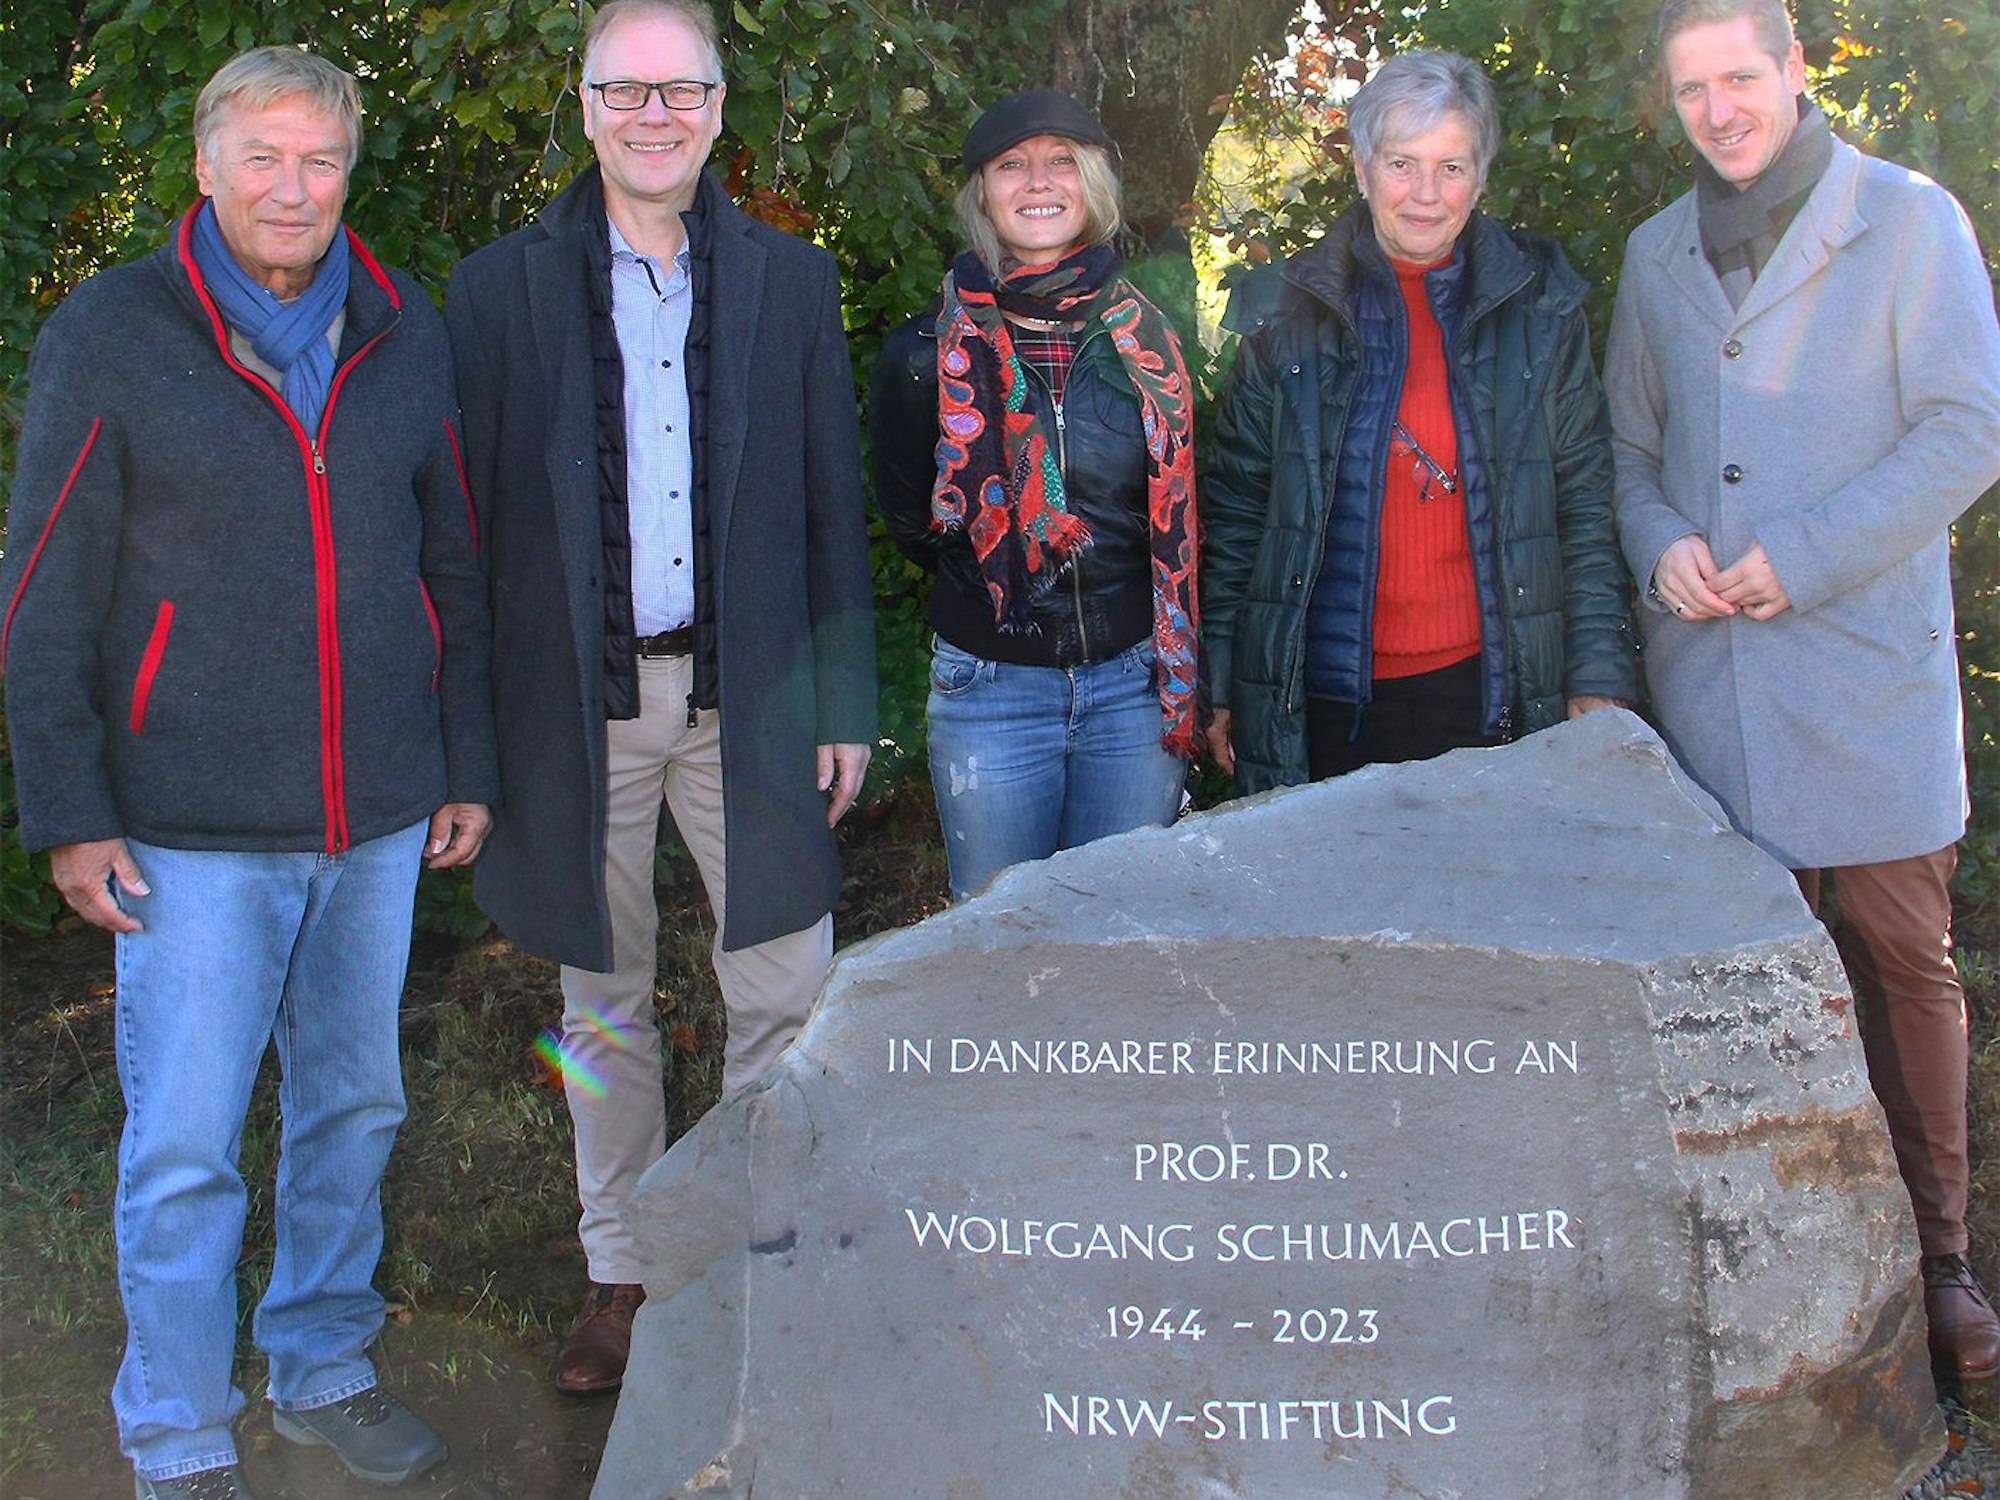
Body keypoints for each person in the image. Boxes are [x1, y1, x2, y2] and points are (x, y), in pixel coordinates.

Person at [0, 45, 496, 1499]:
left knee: (356, 1108)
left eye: (321, 159)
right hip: (189, 827)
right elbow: (42, 590)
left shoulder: (406, 326)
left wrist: (459, 756)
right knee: (187, 1145)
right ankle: (177, 1427)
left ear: (352, 173)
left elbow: (451, 560)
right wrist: (72, 810)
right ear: (207, 165)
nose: (294, 186)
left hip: (379, 814)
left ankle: (324, 1362)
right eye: (264, 156)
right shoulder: (115, 330)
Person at [445, 0, 877, 1396]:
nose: (650, 114)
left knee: (788, 983)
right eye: (621, 90)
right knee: (601, 1003)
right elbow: (471, 527)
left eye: (676, 89)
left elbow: (831, 510)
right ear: (583, 109)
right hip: (582, 703)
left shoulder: (790, 284)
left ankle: (754, 1257)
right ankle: (622, 1271)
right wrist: (478, 731)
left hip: (746, 694)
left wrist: (842, 697)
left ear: (715, 107)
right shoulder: (498, 291)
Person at [1606, 0, 2000, 1382]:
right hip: (1713, 681)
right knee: (1748, 977)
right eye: (1692, 87)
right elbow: (1632, 454)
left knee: (1904, 964)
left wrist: (1807, 557)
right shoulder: (1657, 253)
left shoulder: (1909, 220)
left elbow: (1968, 428)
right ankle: (1784, 1269)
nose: (1719, 108)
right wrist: (1665, 554)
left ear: (1793, 74)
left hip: (1862, 671)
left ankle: (1941, 1264)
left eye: (1740, 78)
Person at [1200, 51, 1637, 795]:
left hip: (1488, 688)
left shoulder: (1540, 312)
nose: (1426, 194)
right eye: (1403, 163)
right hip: (1323, 702)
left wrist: (1597, 669)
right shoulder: (1288, 314)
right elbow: (1238, 510)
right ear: (1364, 170)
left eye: (1452, 166)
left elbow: (1584, 507)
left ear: (1481, 176)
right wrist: (1219, 675)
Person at [871, 89, 1200, 900]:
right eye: (1011, 165)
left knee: (1122, 935)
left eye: (1061, 162)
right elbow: (914, 526)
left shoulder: (1154, 338)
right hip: (992, 690)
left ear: (1093, 185)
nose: (1038, 181)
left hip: (1134, 685)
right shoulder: (922, 355)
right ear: (982, 194)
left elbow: (1191, 513)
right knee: (996, 945)